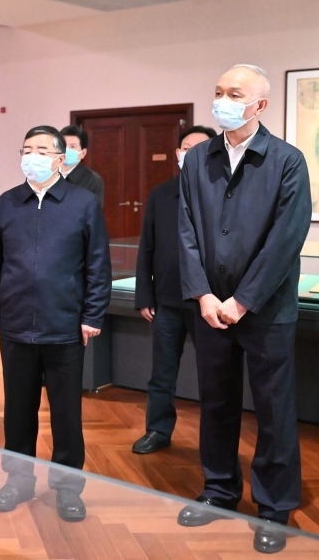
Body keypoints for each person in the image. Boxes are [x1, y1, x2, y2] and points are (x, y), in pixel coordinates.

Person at [177, 64, 311, 554]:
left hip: (266, 310)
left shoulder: (287, 160)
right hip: (210, 307)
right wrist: (203, 295)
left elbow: (286, 238)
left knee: (274, 410)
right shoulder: (198, 159)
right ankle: (218, 489)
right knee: (215, 402)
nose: (223, 101)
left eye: (235, 94)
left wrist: (243, 300)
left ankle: (274, 506)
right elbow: (186, 229)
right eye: (218, 92)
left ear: (260, 105)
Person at [0, 125, 111, 523]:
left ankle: (68, 487)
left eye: (41, 150)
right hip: (16, 325)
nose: (32, 157)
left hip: (65, 327)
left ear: (60, 158)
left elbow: (97, 264)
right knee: (17, 410)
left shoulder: (82, 203)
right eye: (27, 149)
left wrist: (92, 315)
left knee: (66, 414)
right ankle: (18, 480)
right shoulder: (7, 203)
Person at [131, 125, 217, 455]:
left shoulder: (222, 193)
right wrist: (144, 295)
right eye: (186, 148)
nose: (191, 154)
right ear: (178, 153)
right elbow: (147, 248)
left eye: (200, 148)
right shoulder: (161, 194)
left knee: (213, 373)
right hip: (166, 299)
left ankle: (214, 440)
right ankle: (158, 429)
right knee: (162, 371)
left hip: (207, 301)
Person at [59, 125, 105, 206]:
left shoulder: (93, 180)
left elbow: (94, 211)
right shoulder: (48, 174)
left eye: (72, 146)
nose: (66, 150)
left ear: (83, 153)